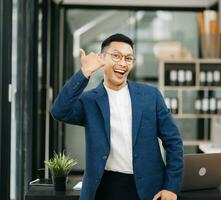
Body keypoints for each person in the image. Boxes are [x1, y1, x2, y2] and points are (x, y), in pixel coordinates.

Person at [51, 33, 183, 200]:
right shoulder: (90, 100)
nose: (122, 63)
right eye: (116, 56)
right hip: (104, 188)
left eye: (128, 58)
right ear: (102, 58)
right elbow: (59, 111)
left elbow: (173, 141)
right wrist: (85, 72)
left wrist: (171, 187)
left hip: (148, 188)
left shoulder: (151, 96)